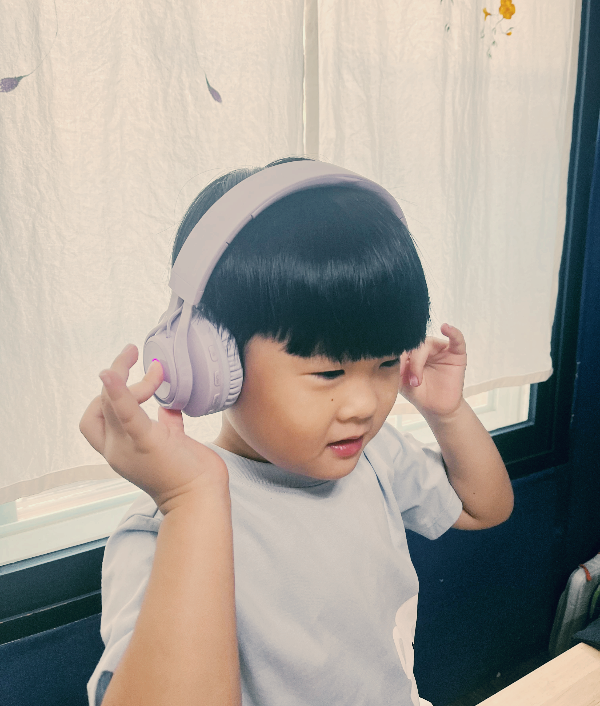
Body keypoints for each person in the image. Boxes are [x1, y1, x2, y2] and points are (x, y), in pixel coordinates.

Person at [80, 156, 514, 706]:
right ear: (211, 362)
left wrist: (446, 414)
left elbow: (485, 508)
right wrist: (191, 501)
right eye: (329, 373)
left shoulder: (374, 457)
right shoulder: (166, 529)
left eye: (386, 363)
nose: (365, 405)